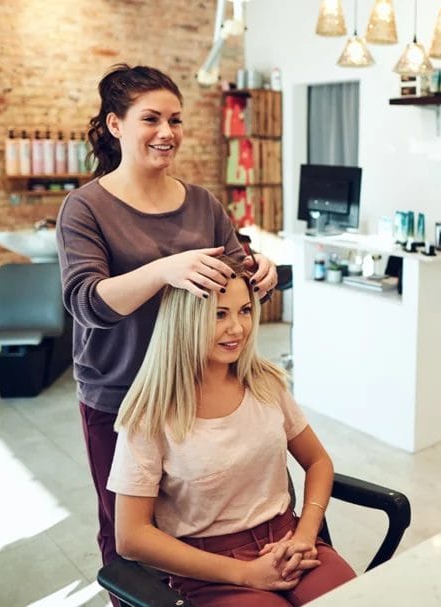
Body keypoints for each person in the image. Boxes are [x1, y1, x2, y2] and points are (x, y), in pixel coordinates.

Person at [56, 64, 278, 573]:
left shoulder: (201, 202)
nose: (166, 133)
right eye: (150, 119)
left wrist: (261, 270)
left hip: (200, 389)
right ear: (116, 125)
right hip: (123, 395)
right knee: (129, 532)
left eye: (175, 121)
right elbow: (85, 302)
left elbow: (235, 274)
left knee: (198, 523)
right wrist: (163, 270)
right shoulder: (85, 208)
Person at [108, 257, 356, 606]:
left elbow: (318, 461)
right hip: (211, 570)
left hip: (289, 541)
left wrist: (305, 533)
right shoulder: (151, 416)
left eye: (244, 310)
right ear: (185, 321)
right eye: (220, 314)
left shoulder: (266, 384)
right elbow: (131, 537)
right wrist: (245, 573)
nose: (238, 328)